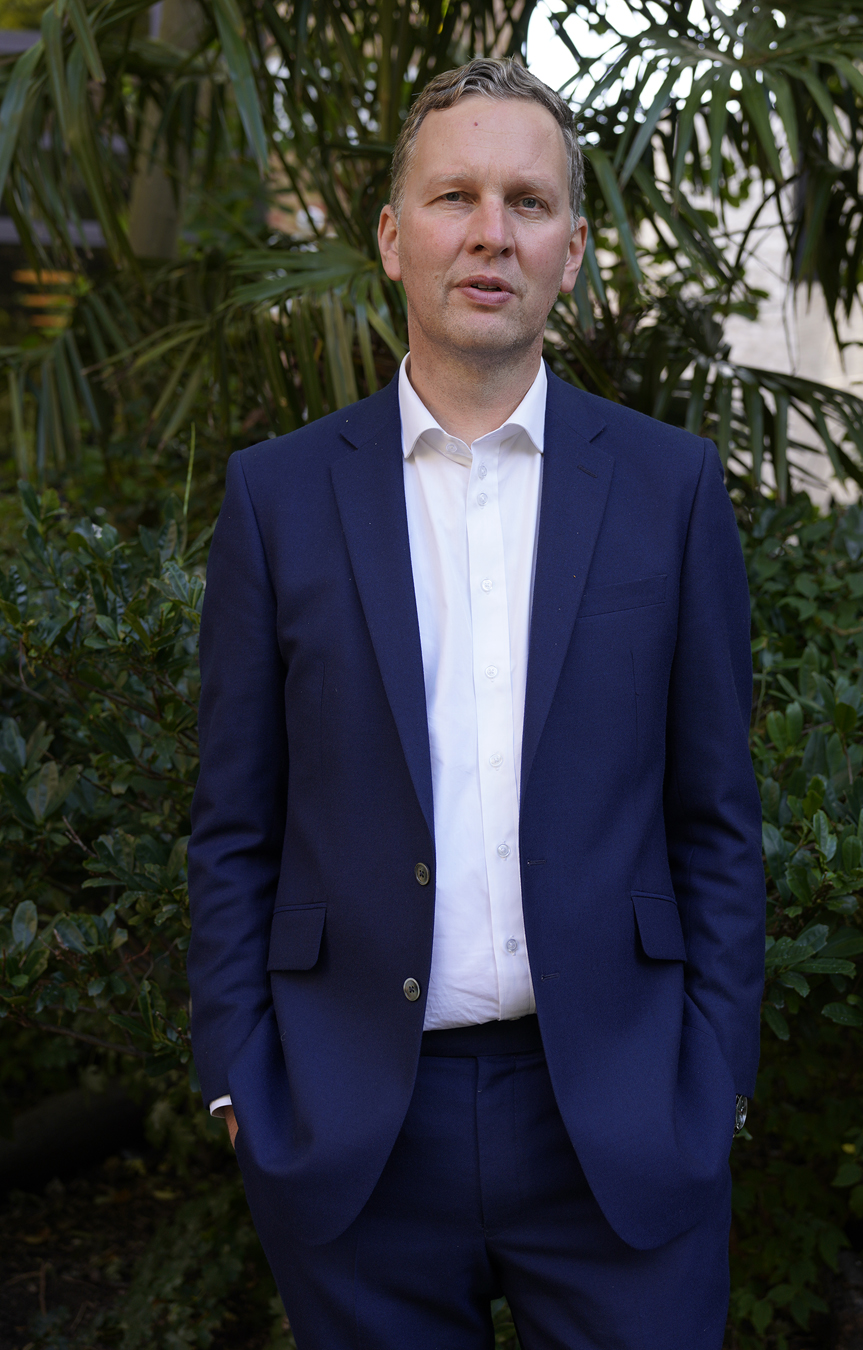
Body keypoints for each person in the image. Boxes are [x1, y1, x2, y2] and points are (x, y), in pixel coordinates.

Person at [187, 55, 765, 1350]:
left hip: (617, 1117)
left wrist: (711, 1079)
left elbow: (713, 814)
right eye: (453, 196)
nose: (489, 231)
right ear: (392, 239)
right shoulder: (277, 500)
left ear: (572, 248)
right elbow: (234, 818)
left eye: (527, 200)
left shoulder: (669, 491)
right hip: (354, 1129)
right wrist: (241, 1077)